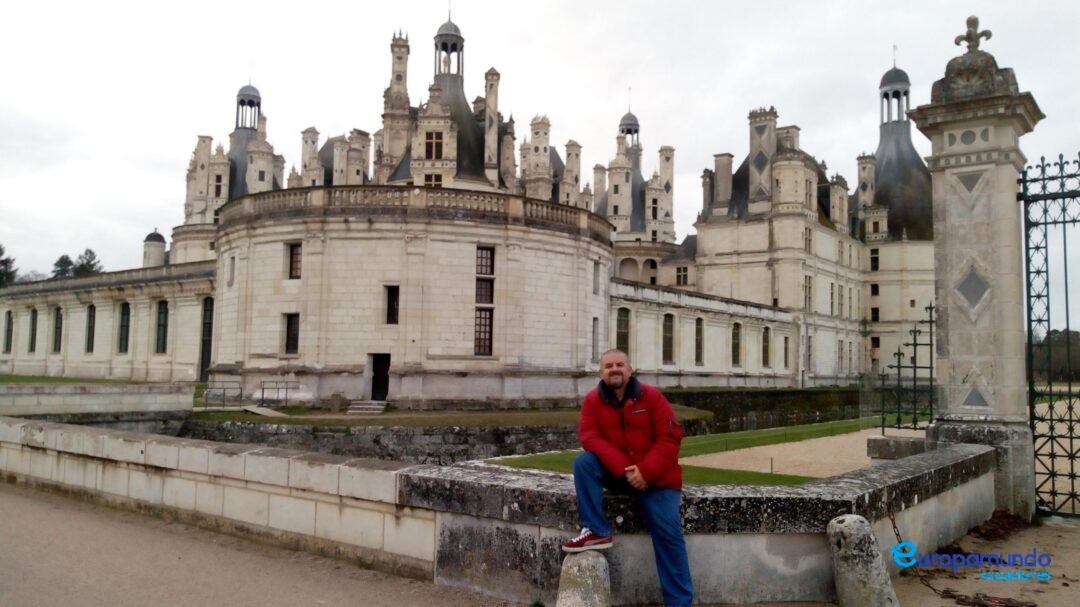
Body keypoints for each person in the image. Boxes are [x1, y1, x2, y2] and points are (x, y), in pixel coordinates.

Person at [562, 348, 693, 606]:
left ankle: (679, 602)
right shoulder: (593, 401)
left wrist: (645, 472)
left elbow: (670, 438)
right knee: (583, 463)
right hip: (620, 474)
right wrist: (626, 469)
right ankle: (597, 530)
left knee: (669, 536)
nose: (614, 370)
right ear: (601, 372)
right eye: (609, 366)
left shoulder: (652, 397)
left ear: (630, 369)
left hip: (657, 481)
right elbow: (589, 437)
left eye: (619, 365)